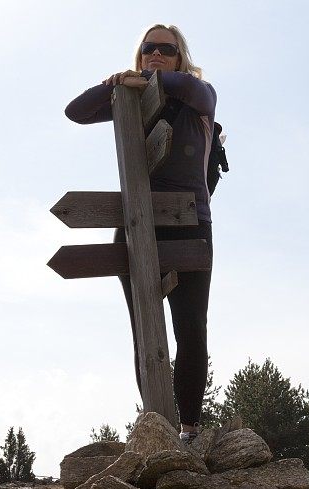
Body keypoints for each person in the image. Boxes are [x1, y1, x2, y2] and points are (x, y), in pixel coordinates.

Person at [64, 24, 216, 443]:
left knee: (190, 329)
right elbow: (75, 111)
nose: (156, 54)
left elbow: (194, 88)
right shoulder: (130, 97)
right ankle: (156, 427)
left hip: (189, 223)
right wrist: (114, 83)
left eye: (166, 50)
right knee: (144, 330)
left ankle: (189, 430)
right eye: (148, 48)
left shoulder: (199, 98)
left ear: (180, 57)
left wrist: (151, 79)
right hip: (135, 224)